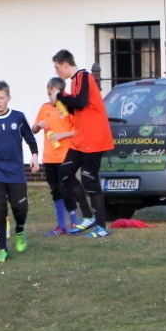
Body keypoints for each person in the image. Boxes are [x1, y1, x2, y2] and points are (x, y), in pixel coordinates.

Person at [51, 50, 114, 238]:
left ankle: (101, 226)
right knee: (65, 173)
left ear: (64, 65)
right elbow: (78, 108)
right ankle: (87, 216)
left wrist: (61, 96)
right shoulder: (74, 82)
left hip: (94, 138)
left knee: (90, 180)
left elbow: (81, 101)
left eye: (57, 67)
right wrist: (62, 106)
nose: (56, 72)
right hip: (81, 139)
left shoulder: (84, 76)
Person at [0, 81, 40, 263]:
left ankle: (20, 229)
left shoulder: (18, 118)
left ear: (8, 98)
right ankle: (2, 248)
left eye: (1, 98)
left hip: (16, 171)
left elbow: (30, 138)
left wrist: (35, 156)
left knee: (20, 208)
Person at [32, 77, 79, 235]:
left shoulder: (67, 108)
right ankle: (61, 226)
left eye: (52, 93)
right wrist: (38, 125)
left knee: (66, 189)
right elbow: (33, 129)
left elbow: (79, 130)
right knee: (56, 191)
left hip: (65, 156)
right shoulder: (44, 108)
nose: (49, 97)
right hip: (49, 158)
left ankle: (74, 223)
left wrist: (61, 135)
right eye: (48, 93)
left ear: (61, 93)